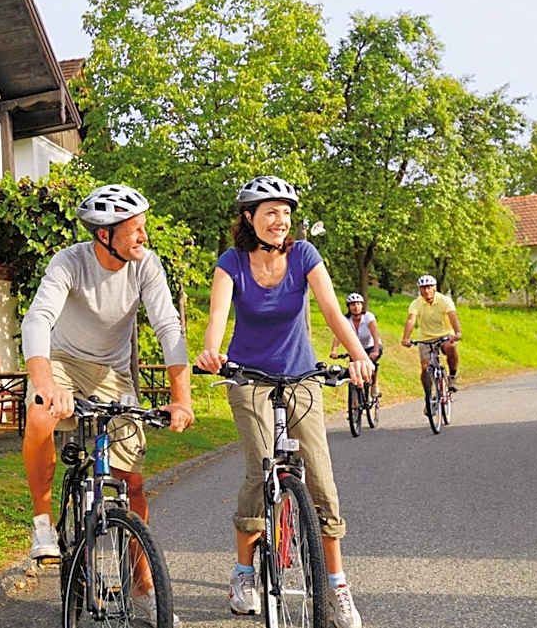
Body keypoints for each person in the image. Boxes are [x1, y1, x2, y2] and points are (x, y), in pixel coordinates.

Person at [195, 175, 373, 628]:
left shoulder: (304, 255)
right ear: (249, 217)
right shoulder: (231, 263)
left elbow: (331, 310)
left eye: (286, 213)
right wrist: (212, 352)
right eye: (270, 212)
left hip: (301, 377)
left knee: (321, 478)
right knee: (260, 469)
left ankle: (337, 586)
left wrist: (358, 356)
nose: (280, 220)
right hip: (248, 378)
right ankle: (243, 574)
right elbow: (217, 316)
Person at [21, 183, 194, 626]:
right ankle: (43, 522)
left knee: (131, 484)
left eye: (143, 227)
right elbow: (38, 319)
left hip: (114, 373)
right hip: (62, 362)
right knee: (39, 412)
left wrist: (181, 397)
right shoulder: (70, 262)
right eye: (135, 229)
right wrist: (46, 385)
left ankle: (142, 583)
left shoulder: (146, 265)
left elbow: (168, 325)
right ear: (104, 235)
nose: (144, 237)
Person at [400, 274, 463, 396]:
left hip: (444, 334)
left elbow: (452, 316)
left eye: (429, 287)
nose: (426, 290)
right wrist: (405, 338)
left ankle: (452, 376)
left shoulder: (444, 300)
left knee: (450, 347)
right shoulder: (416, 303)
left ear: (435, 287)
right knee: (425, 368)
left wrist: (457, 332)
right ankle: (428, 397)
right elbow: (411, 320)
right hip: (425, 338)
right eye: (423, 287)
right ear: (419, 289)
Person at [330, 292, 383, 399]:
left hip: (371, 346)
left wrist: (376, 350)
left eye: (358, 304)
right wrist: (334, 350)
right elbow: (338, 336)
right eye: (353, 304)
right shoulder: (345, 320)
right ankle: (355, 400)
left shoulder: (368, 317)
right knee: (354, 369)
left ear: (362, 305)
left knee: (371, 365)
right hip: (355, 349)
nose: (356, 307)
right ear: (348, 307)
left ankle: (374, 385)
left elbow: (375, 335)